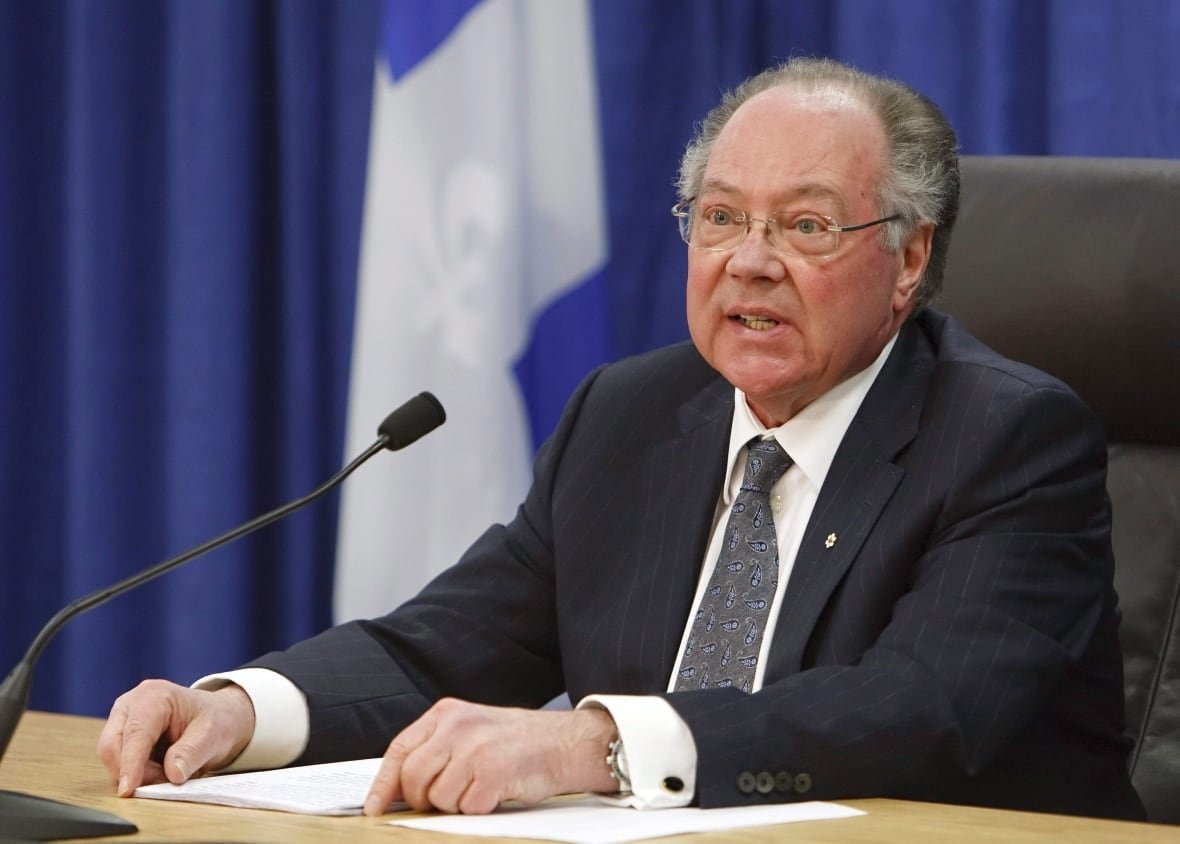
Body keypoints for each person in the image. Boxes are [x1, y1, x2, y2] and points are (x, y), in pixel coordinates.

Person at [97, 57, 1145, 821]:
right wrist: (242, 709)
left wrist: (596, 742)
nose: (749, 260)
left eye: (806, 226)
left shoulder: (1006, 435)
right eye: (720, 217)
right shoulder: (631, 414)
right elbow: (441, 646)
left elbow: (917, 708)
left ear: (909, 259)